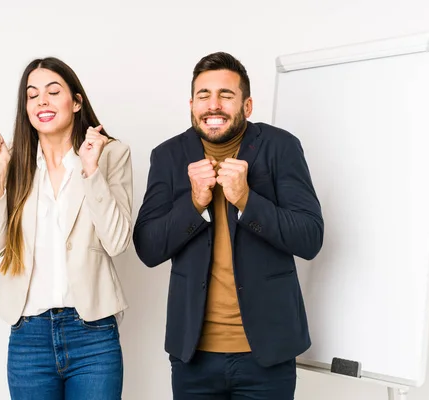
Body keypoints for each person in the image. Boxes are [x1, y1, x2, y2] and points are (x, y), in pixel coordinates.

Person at [133, 52, 324, 399]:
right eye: (204, 95)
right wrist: (193, 204)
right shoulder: (169, 156)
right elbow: (147, 247)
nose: (213, 105)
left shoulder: (281, 148)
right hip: (193, 356)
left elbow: (310, 237)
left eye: (226, 95)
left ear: (247, 106)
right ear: (192, 105)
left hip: (268, 353)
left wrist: (248, 200)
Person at [0, 57, 132, 400]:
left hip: (93, 335)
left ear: (76, 102)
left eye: (53, 91)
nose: (42, 101)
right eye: (32, 95)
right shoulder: (13, 161)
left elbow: (118, 241)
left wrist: (90, 171)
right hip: (29, 338)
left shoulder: (110, 155)